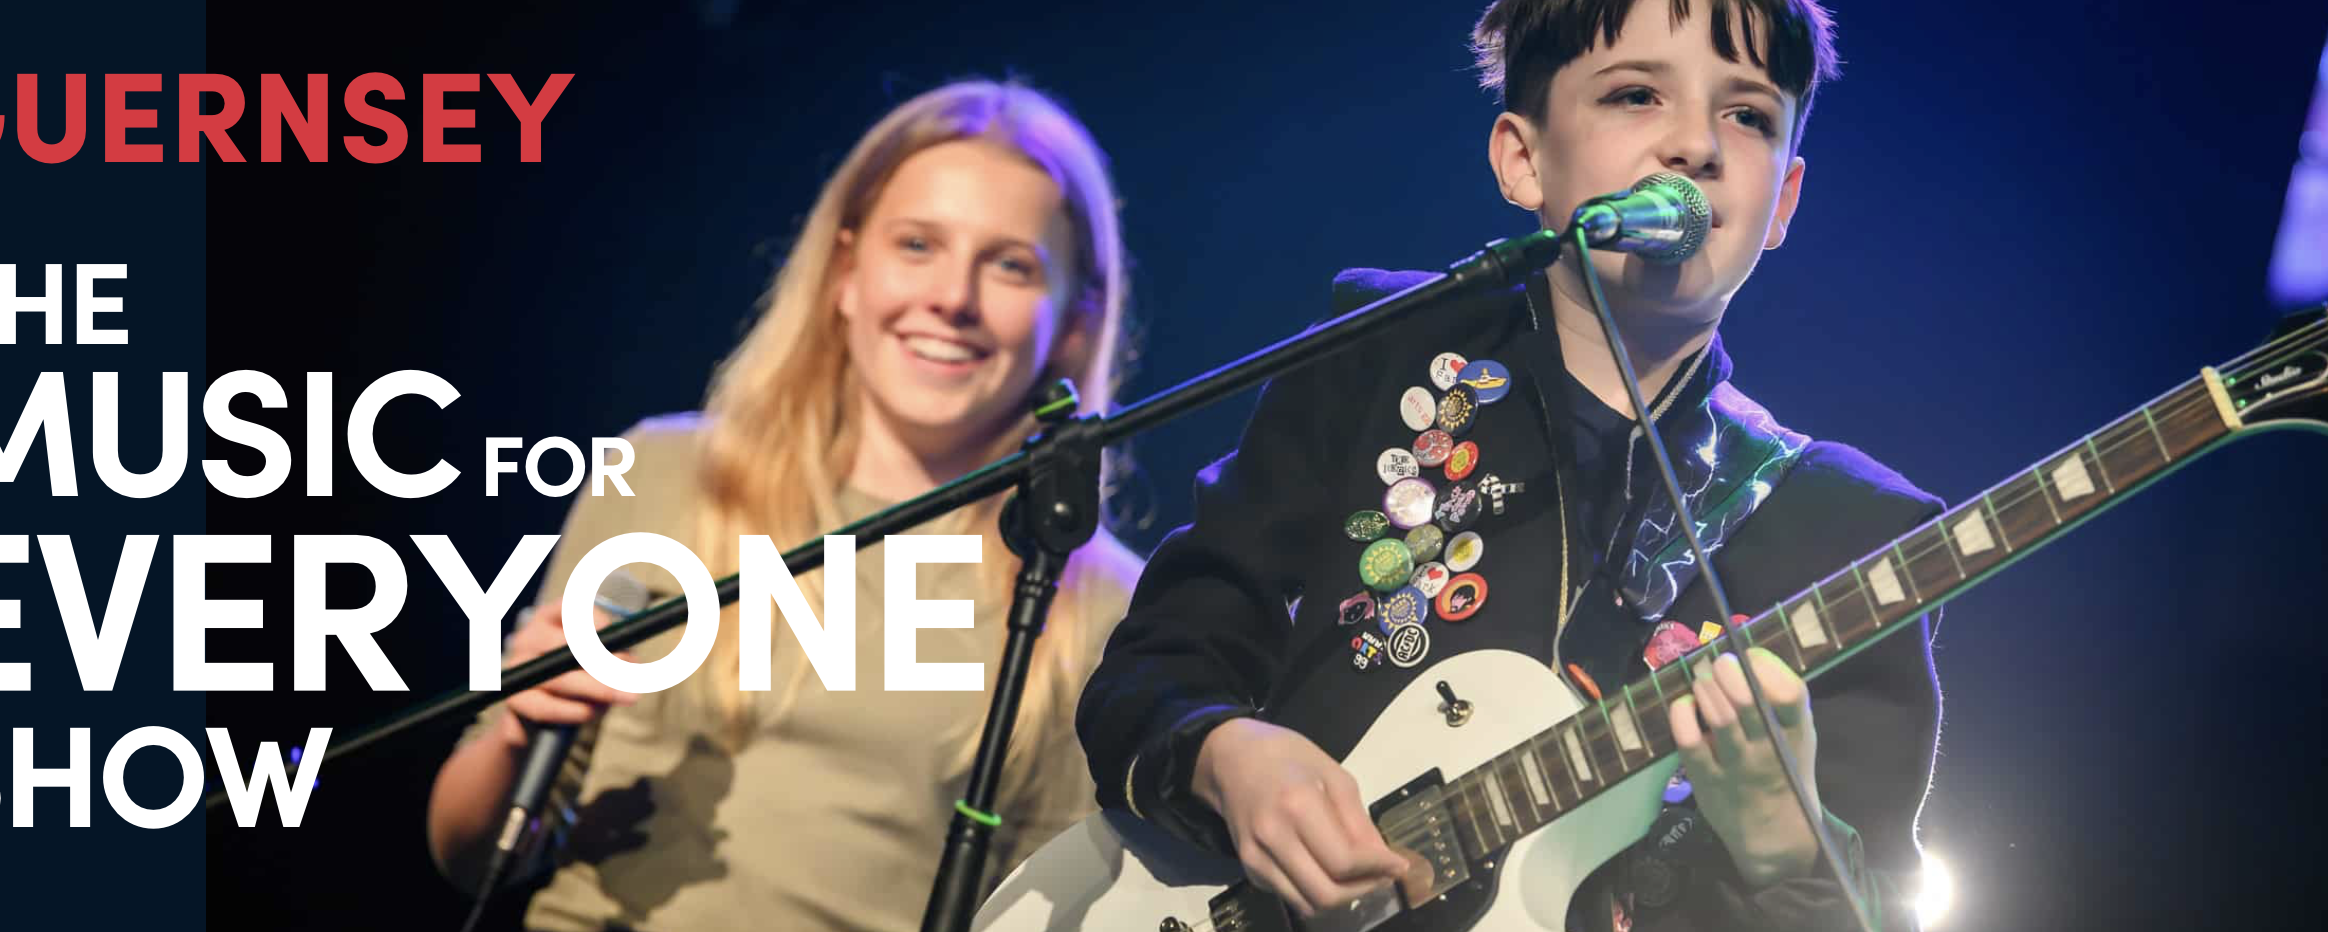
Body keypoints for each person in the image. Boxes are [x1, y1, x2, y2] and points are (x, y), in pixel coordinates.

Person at [1076, 2, 1944, 930]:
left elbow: (1879, 903)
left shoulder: (1849, 528)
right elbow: (1164, 654)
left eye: (1748, 115)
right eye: (1637, 95)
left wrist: (1786, 845)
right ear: (1522, 158)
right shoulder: (1385, 350)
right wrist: (1225, 754)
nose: (1696, 145)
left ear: (1784, 200)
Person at [424, 79, 1146, 932]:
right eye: (917, 244)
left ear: (1074, 318)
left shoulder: (1097, 602)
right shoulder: (663, 471)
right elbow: (467, 853)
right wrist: (519, 728)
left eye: (1010, 264)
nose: (953, 297)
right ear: (845, 272)